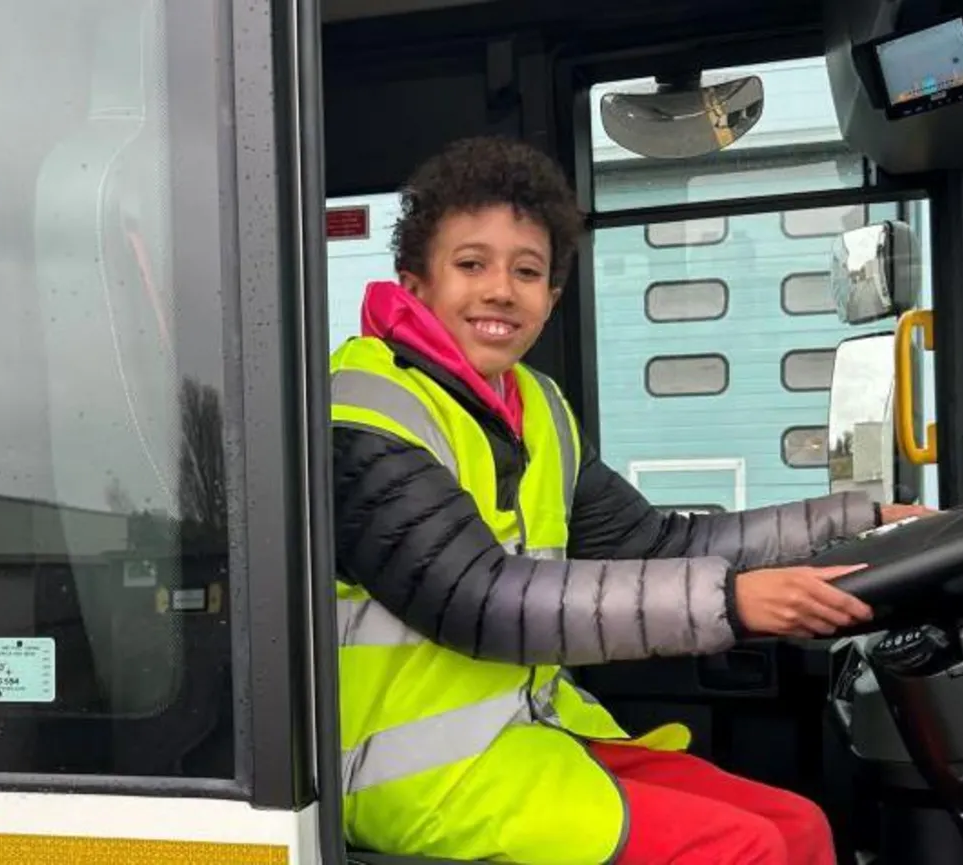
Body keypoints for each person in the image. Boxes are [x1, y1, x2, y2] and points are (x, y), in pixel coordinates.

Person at [331, 136, 932, 865]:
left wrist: (856, 521)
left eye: (527, 271)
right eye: (471, 265)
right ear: (414, 283)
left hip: (530, 738)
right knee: (744, 849)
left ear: (551, 300)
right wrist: (735, 602)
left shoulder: (538, 407)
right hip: (417, 780)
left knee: (797, 824)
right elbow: (481, 598)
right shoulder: (367, 405)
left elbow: (653, 543)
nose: (500, 289)